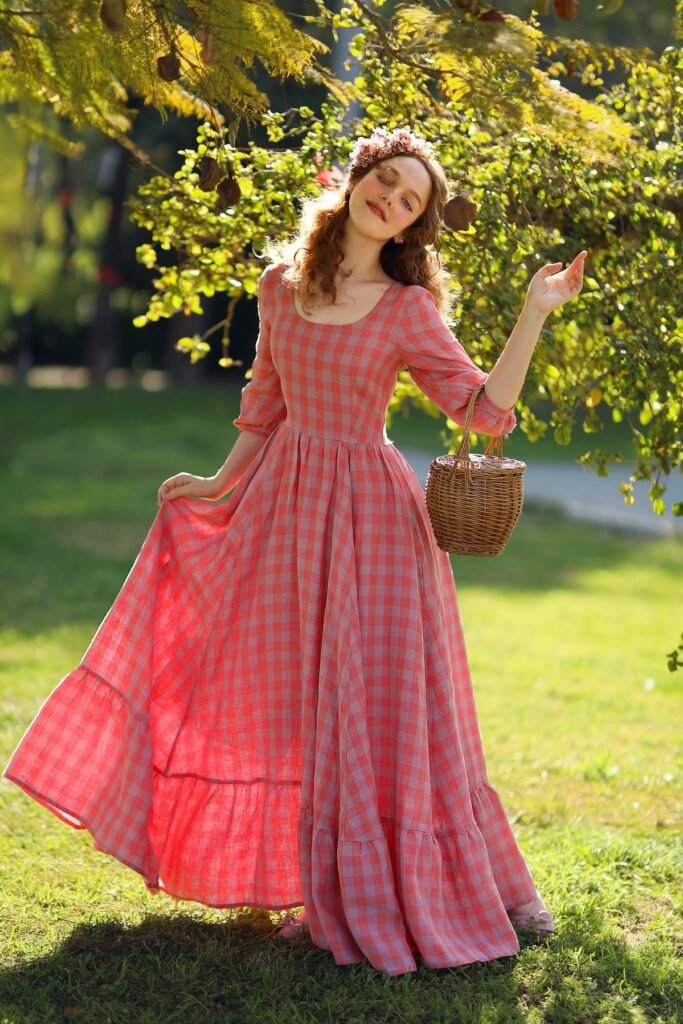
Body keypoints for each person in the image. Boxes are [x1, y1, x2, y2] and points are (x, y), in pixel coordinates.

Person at [3, 125, 586, 977]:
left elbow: (482, 412)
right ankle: (328, 884)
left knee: (382, 702)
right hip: (285, 505)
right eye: (384, 181)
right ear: (358, 182)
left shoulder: (405, 308)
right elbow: (263, 403)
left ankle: (476, 886)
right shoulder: (281, 288)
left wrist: (533, 312)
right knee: (307, 699)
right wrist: (218, 483)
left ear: (408, 228)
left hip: (375, 521)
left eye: (409, 201)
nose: (390, 199)